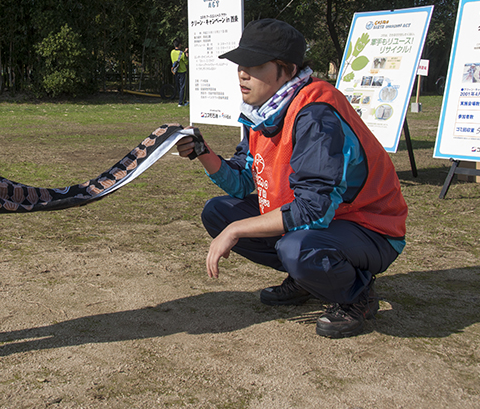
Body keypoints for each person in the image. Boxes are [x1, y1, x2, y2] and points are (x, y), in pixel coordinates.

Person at [176, 18, 407, 339]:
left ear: (287, 69)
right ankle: (307, 280)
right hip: (322, 223)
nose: (242, 73)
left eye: (256, 65)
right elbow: (243, 182)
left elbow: (313, 209)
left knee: (297, 248)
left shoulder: (316, 114)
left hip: (370, 228)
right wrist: (202, 151)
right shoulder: (265, 110)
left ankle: (357, 296)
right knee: (218, 212)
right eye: (241, 64)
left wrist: (236, 230)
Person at [170, 39, 189, 106]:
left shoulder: (172, 52)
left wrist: (184, 52)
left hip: (176, 71)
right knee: (182, 87)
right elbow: (186, 62)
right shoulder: (182, 54)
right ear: (180, 45)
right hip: (182, 71)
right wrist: (186, 55)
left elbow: (178, 56)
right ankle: (181, 102)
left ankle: (182, 100)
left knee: (178, 87)